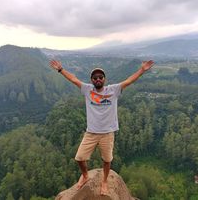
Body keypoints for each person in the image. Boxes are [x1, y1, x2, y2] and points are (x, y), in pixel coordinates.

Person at [50, 59, 154, 195]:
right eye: (95, 78)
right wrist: (60, 70)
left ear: (104, 79)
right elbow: (74, 79)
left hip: (107, 133)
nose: (98, 79)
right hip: (91, 133)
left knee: (107, 160)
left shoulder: (113, 90)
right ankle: (85, 176)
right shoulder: (87, 90)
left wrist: (142, 70)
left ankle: (104, 182)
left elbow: (129, 80)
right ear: (92, 80)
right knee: (79, 158)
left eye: (100, 77)